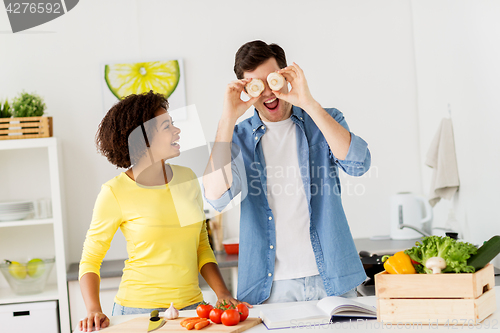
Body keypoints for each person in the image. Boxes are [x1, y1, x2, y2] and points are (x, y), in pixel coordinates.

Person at [203, 40, 371, 305]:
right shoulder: (237, 138)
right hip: (270, 288)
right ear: (246, 90)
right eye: (256, 85)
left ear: (285, 75)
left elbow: (358, 164)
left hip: (334, 279)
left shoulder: (324, 120)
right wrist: (227, 119)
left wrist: (309, 102)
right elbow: (216, 197)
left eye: (272, 80)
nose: (268, 93)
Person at [78, 91, 245, 332]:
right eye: (167, 126)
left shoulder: (187, 177)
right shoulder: (114, 191)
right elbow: (91, 259)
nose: (177, 131)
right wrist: (94, 309)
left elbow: (201, 245)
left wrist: (222, 292)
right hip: (136, 312)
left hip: (192, 308)